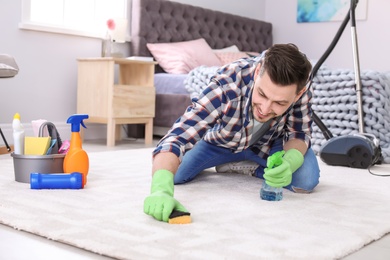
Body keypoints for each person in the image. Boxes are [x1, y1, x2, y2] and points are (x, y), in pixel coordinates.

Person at [144, 43, 320, 222]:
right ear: (258, 70)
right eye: (262, 94)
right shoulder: (228, 82)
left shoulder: (301, 86)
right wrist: (160, 189)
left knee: (305, 180)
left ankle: (248, 167)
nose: (266, 109)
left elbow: (299, 133)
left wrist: (289, 162)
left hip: (270, 144)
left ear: (298, 94)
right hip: (222, 143)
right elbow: (178, 136)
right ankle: (236, 160)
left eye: (280, 103)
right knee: (176, 174)